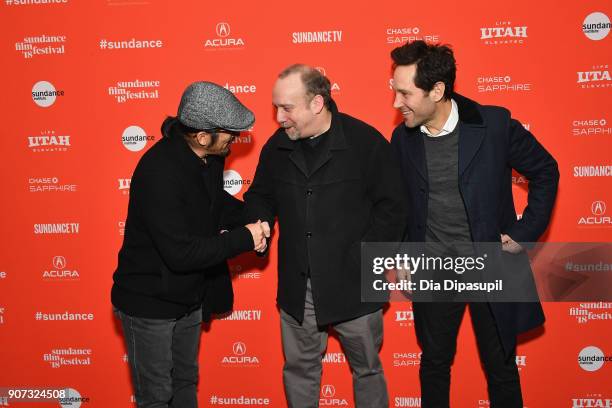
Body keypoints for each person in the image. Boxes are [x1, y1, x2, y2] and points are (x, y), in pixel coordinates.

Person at [389, 41, 559, 407]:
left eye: (405, 93)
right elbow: (401, 204)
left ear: (437, 90)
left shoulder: (493, 124)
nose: (396, 103)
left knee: (501, 368)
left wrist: (524, 232)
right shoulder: (401, 139)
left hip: (491, 265)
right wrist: (403, 254)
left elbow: (546, 170)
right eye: (394, 91)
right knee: (434, 364)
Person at [244, 64, 408, 407]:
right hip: (298, 284)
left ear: (317, 104)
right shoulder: (277, 147)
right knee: (300, 370)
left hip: (356, 285)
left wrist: (368, 259)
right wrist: (260, 222)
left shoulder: (364, 142)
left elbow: (393, 206)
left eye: (287, 108)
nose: (278, 117)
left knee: (367, 370)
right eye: (275, 106)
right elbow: (260, 195)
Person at [111, 81, 267, 408]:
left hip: (189, 297)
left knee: (184, 383)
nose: (234, 139)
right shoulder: (159, 172)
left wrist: (256, 217)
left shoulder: (208, 159)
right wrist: (244, 238)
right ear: (201, 136)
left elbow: (214, 204)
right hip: (149, 303)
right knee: (156, 397)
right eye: (228, 132)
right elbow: (181, 254)